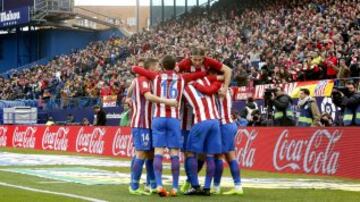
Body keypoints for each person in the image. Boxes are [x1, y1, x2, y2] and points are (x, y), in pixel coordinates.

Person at [132, 55, 206, 197]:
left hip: (158, 118)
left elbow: (136, 69)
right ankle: (175, 187)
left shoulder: (156, 76)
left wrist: (141, 69)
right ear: (174, 66)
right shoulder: (182, 78)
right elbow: (200, 74)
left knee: (158, 152)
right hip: (174, 119)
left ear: (163, 66)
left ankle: (159, 185)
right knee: (174, 154)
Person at [128, 58, 178, 196]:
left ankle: (152, 184)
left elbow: (130, 89)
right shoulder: (143, 79)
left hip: (150, 123)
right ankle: (133, 185)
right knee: (141, 153)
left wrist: (127, 97)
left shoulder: (154, 80)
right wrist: (168, 102)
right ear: (150, 68)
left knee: (150, 154)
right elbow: (148, 97)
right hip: (141, 122)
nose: (159, 69)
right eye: (156, 67)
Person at [192, 74, 243, 195]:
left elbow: (206, 91)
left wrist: (195, 83)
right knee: (231, 156)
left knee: (218, 157)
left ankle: (217, 186)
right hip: (230, 123)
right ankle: (237, 186)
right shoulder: (227, 88)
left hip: (222, 124)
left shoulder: (218, 88)